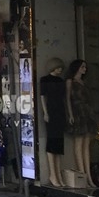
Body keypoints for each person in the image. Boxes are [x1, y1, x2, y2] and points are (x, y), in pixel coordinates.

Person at [65, 59, 97, 188]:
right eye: (82, 66)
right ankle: (82, 174)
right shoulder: (70, 82)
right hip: (77, 113)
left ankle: (88, 175)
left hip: (87, 113)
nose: (84, 69)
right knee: (79, 143)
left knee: (86, 144)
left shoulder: (83, 82)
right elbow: (67, 99)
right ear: (77, 68)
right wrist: (71, 114)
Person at [39, 57, 67, 187]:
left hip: (60, 111)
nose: (60, 69)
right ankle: (52, 174)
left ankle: (58, 174)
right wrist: (45, 112)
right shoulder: (44, 80)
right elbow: (43, 97)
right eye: (58, 67)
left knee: (59, 142)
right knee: (52, 140)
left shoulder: (61, 81)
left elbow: (64, 97)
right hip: (51, 111)